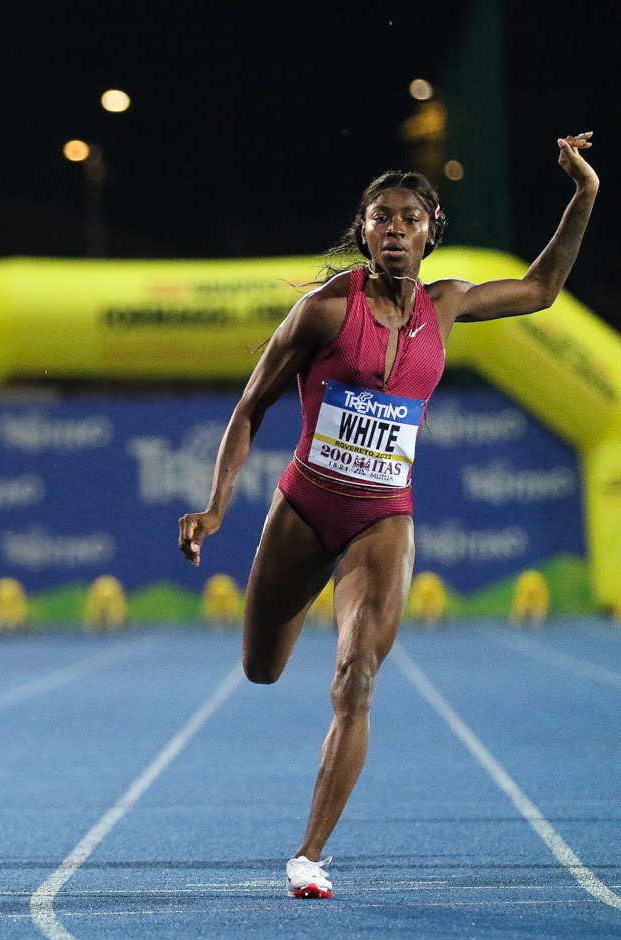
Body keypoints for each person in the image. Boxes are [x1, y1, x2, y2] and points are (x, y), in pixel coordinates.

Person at [178, 135, 598, 898]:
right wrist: (215, 508)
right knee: (261, 669)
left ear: (432, 230)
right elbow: (250, 408)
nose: (396, 229)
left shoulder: (449, 304)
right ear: (363, 232)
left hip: (383, 517)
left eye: (410, 218)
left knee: (357, 677)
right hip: (306, 505)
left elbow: (541, 289)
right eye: (382, 218)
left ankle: (308, 855)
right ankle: (289, 631)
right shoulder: (323, 312)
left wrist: (584, 193)